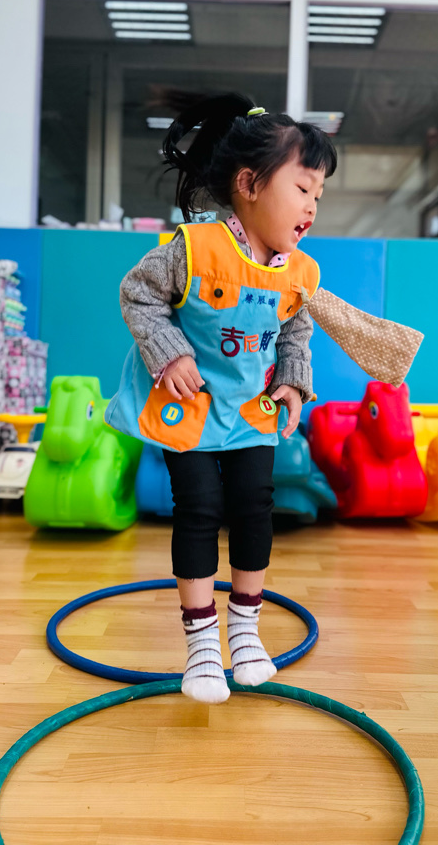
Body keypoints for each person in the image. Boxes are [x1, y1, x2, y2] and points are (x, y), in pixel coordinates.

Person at [105, 93, 337, 704]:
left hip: (250, 412)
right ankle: (203, 642)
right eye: (303, 188)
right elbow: (138, 294)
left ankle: (245, 630)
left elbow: (296, 328)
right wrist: (170, 353)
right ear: (249, 184)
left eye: (319, 194)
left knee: (256, 508)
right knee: (200, 509)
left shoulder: (298, 271)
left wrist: (293, 380)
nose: (312, 206)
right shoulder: (194, 248)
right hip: (192, 408)